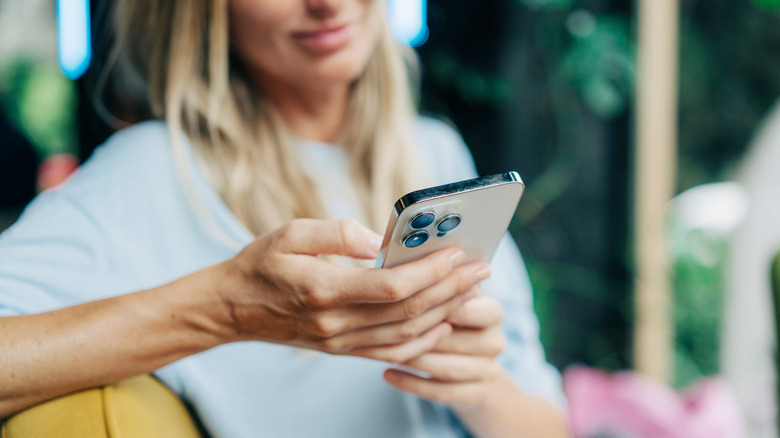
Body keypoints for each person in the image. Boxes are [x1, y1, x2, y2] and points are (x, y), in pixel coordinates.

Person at [0, 0, 569, 436]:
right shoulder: (157, 170)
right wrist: (225, 310)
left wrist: (478, 389)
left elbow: (549, 424)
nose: (327, 3)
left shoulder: (433, 150)